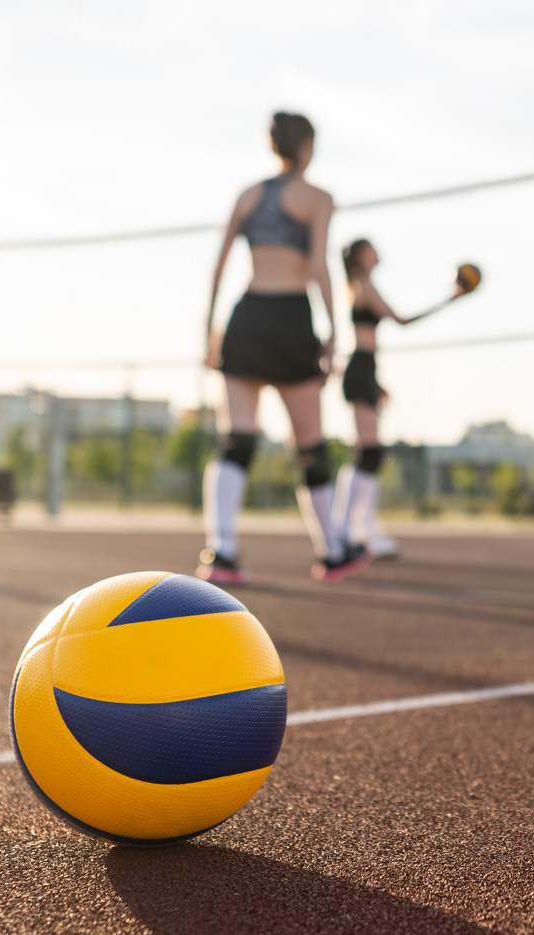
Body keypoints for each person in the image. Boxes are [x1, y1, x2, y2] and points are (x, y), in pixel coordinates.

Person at [200, 111, 366, 584]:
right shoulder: (318, 198)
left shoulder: (248, 195)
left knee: (238, 439)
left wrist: (209, 331)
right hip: (290, 316)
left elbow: (218, 266)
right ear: (308, 146)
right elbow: (318, 265)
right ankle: (332, 551)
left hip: (247, 314)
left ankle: (221, 552)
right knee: (309, 445)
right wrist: (334, 329)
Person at [333, 240, 462, 558]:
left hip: (365, 368)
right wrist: (450, 300)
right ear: (362, 255)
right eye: (372, 248)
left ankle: (355, 528)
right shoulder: (365, 285)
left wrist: (374, 381)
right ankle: (354, 530)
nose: (378, 252)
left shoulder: (358, 285)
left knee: (367, 452)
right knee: (370, 452)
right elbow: (402, 321)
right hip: (360, 366)